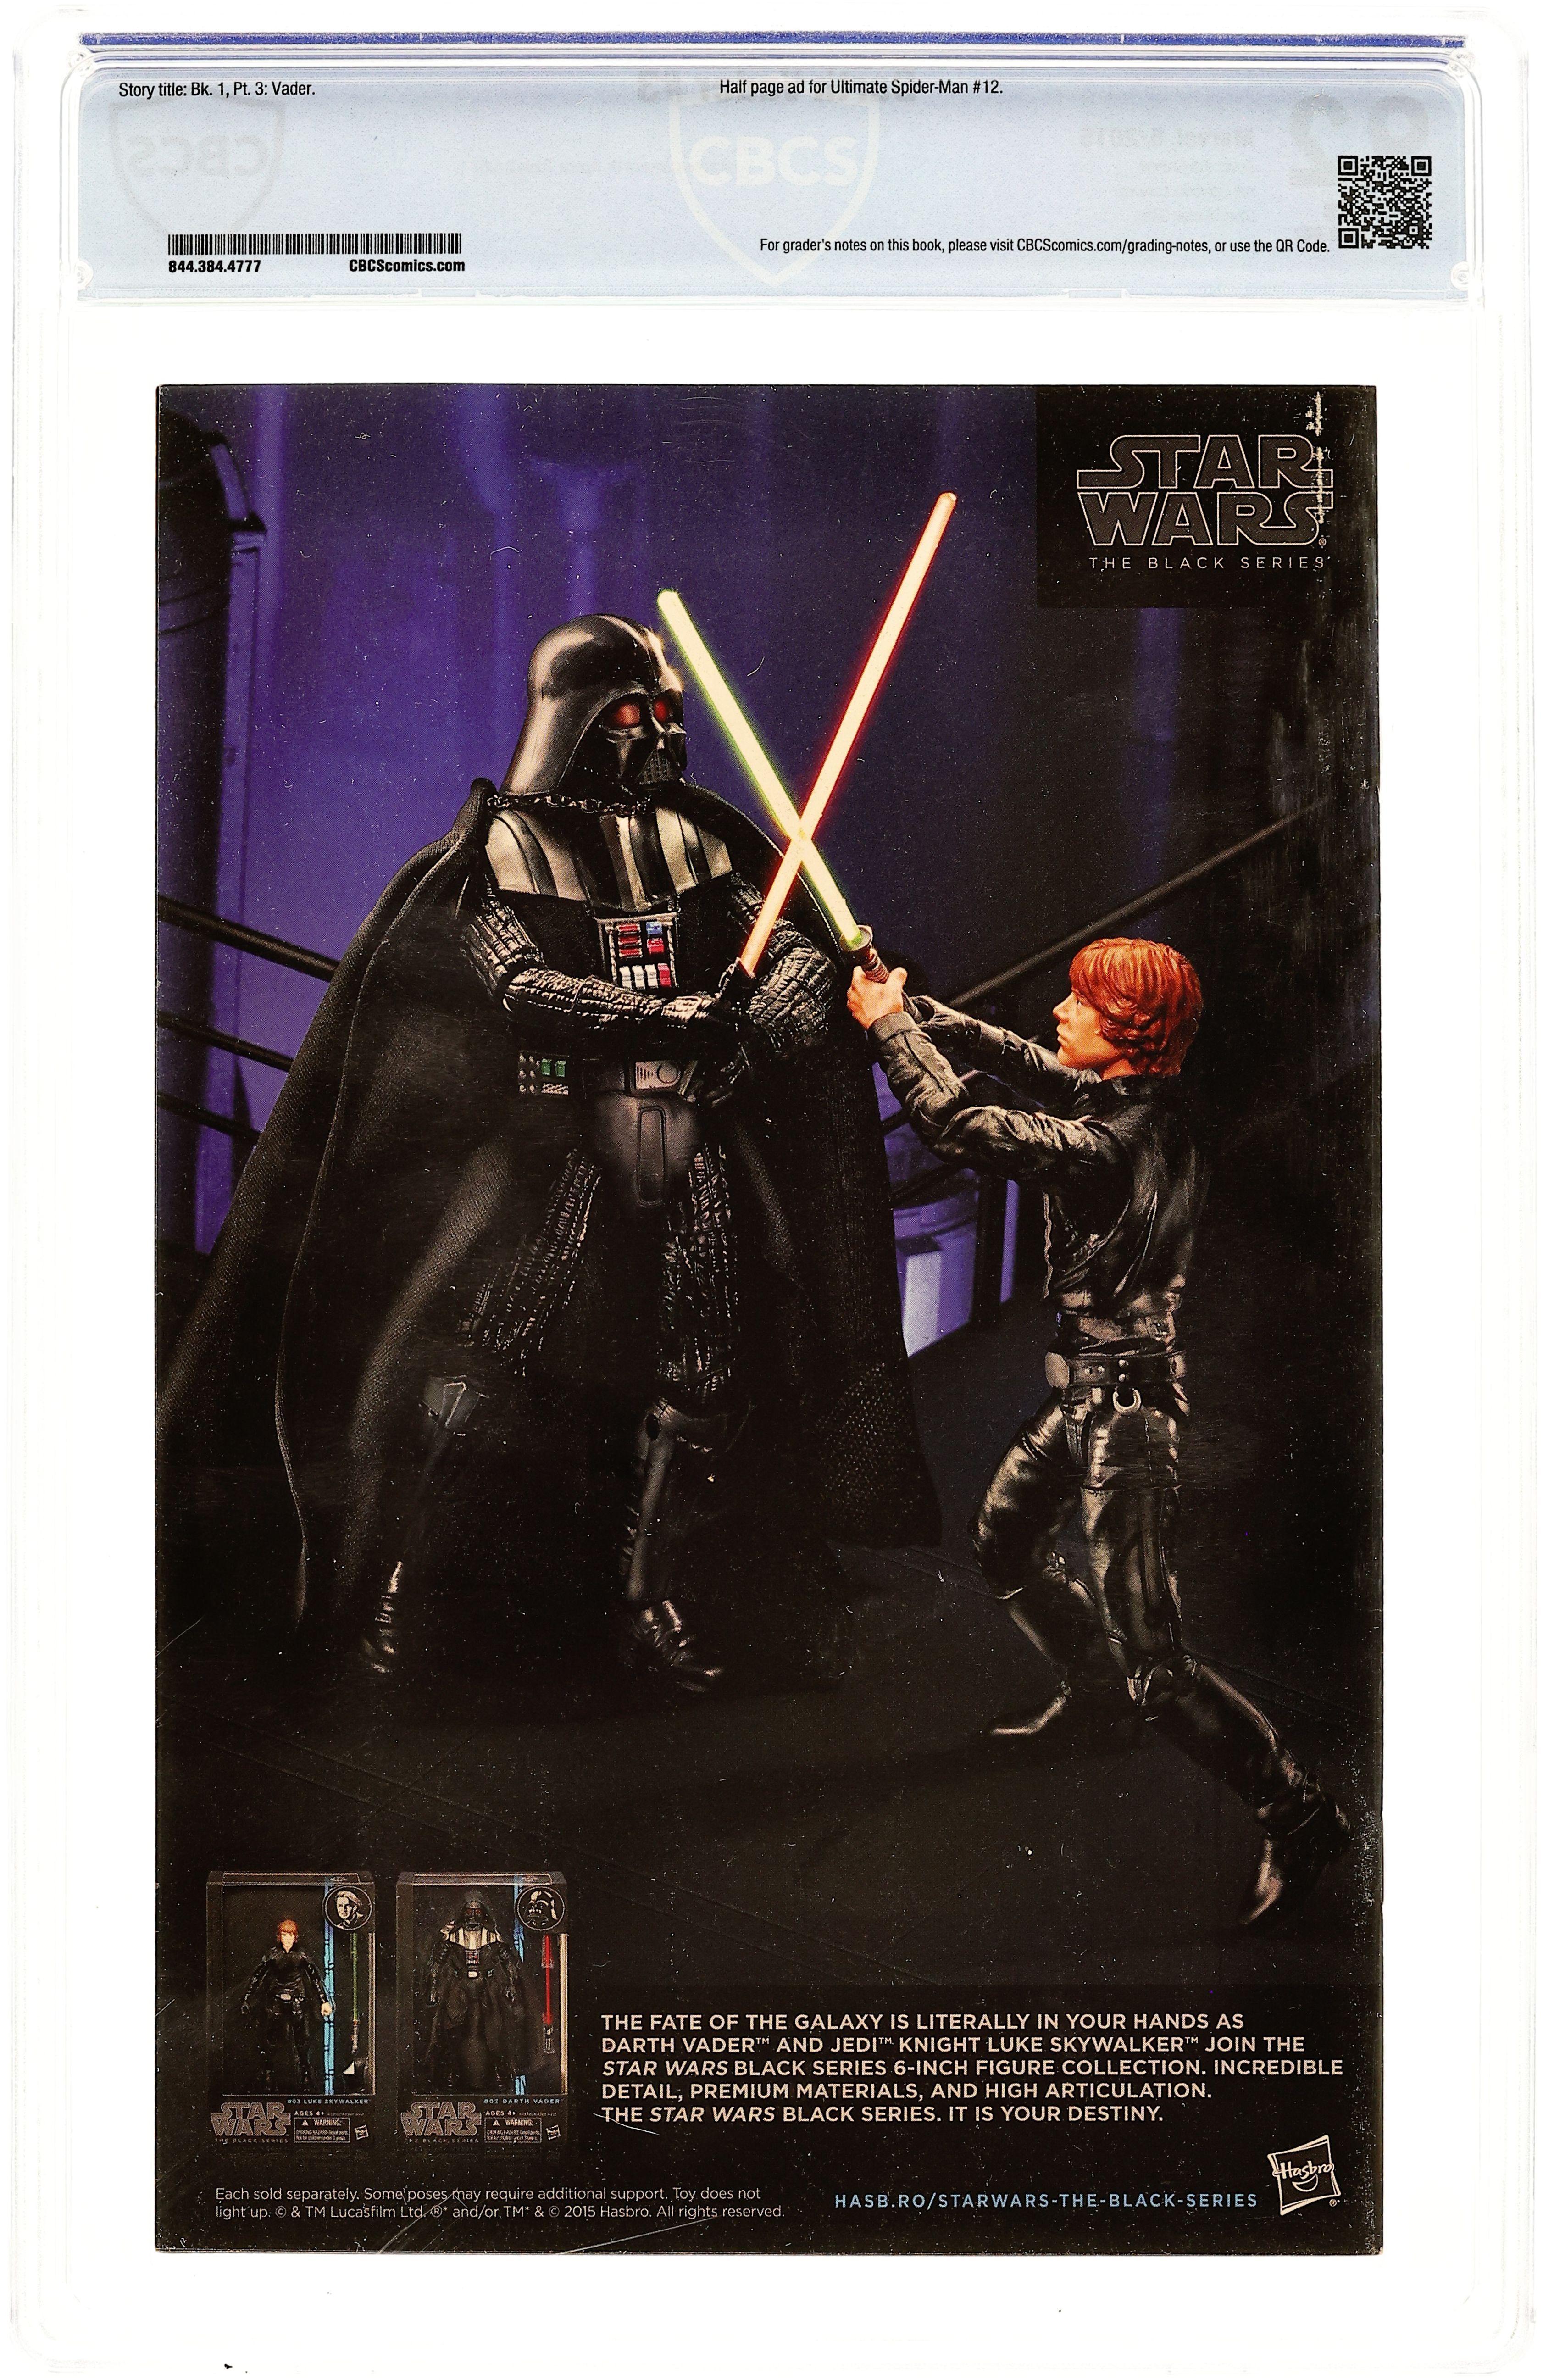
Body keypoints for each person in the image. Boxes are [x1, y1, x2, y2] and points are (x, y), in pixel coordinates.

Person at [159, 615, 935, 1698]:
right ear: (574, 722)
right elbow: (518, 986)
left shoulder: (696, 839)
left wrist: (752, 1025)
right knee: (471, 1357)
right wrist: (666, 1018)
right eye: (629, 716)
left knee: (703, 1374)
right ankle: (385, 1578)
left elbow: (799, 956)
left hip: (686, 1139)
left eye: (663, 713)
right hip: (551, 1145)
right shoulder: (500, 850)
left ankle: (646, 1594)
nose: (653, 737)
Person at [847, 936, 1349, 1927]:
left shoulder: (1105, 1148)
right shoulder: (1141, 1108)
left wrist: (890, 1028)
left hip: (1122, 1415)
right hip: (1089, 1394)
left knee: (1155, 1662)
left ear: (1122, 1031)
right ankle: (1092, 1689)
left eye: (1078, 1004)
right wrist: (922, 1014)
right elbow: (1030, 1064)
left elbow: (957, 1122)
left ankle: (1297, 1813)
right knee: (1004, 1540)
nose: (1057, 1014)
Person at [241, 1917, 331, 2091]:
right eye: (284, 1935)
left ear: (295, 1937)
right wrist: (247, 1999)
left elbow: (315, 1979)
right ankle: (268, 2073)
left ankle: (305, 2074)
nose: (287, 1939)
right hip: (276, 2001)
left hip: (297, 2001)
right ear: (280, 1936)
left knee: (302, 2041)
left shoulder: (302, 1956)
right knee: (271, 2040)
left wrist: (324, 2001)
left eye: (291, 1935)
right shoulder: (272, 1955)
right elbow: (257, 1977)